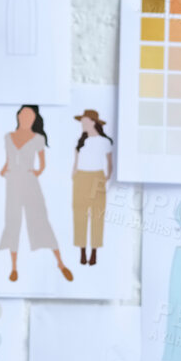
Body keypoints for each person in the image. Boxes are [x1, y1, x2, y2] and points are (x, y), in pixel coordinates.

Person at [0, 104, 72, 282]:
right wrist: (4, 171)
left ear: (34, 119)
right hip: (13, 182)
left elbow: (42, 163)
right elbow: (8, 160)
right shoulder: (8, 137)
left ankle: (60, 262)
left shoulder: (38, 138)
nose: (25, 119)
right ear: (18, 116)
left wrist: (35, 173)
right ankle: (13, 267)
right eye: (22, 115)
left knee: (40, 219)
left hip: (30, 182)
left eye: (29, 116)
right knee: (12, 221)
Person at [71, 108, 114, 266]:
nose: (82, 124)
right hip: (81, 177)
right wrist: (74, 173)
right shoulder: (80, 141)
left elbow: (110, 163)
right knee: (79, 215)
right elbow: (76, 162)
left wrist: (107, 177)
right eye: (82, 121)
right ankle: (82, 251)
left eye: (85, 121)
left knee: (97, 215)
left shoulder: (105, 142)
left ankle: (94, 251)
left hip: (97, 177)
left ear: (93, 122)